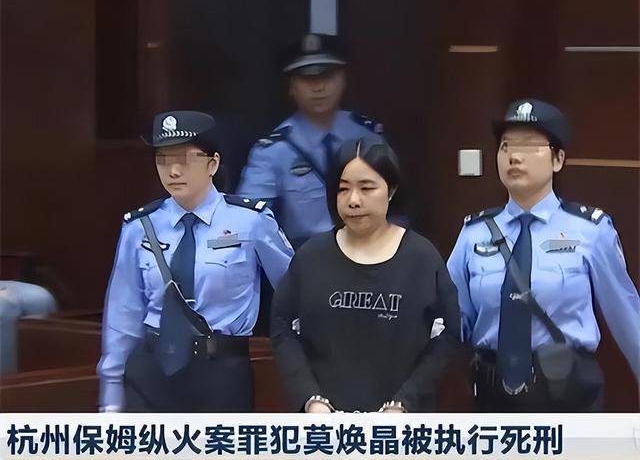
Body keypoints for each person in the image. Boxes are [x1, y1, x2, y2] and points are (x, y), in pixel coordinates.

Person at [447, 99, 640, 412]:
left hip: (568, 395)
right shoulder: (474, 233)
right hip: (494, 396)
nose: (514, 156)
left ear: (557, 159)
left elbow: (626, 316)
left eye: (529, 146)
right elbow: (451, 320)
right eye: (506, 146)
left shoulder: (590, 230)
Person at [97, 110, 294, 413]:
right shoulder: (140, 226)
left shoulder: (250, 221)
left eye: (185, 159)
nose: (173, 170)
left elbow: (295, 289)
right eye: (163, 160)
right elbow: (123, 314)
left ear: (212, 163)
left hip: (220, 372)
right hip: (151, 372)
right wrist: (111, 396)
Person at [270, 136, 460, 413]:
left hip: (399, 424)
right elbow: (282, 327)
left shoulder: (421, 257)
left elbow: (449, 335)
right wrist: (310, 399)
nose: (353, 200)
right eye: (343, 189)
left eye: (366, 188)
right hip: (325, 423)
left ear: (391, 190)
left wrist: (405, 402)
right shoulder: (311, 257)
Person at [236, 33, 385, 249]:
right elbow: (248, 220)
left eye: (328, 76)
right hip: (306, 256)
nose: (319, 87)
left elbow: (395, 207)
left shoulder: (367, 135)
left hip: (368, 251)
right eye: (308, 79)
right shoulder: (272, 150)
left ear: (343, 80)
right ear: (291, 87)